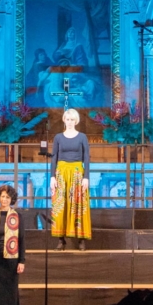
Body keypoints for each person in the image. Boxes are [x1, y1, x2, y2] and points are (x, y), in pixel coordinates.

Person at [50, 107, 91, 251]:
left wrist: (86, 177)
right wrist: (52, 177)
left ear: (76, 121)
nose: (69, 122)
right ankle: (61, 240)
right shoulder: (58, 138)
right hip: (61, 173)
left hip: (77, 173)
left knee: (79, 205)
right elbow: (54, 156)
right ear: (64, 120)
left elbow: (86, 157)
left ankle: (81, 240)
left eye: (72, 119)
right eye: (67, 119)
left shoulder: (82, 137)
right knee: (60, 205)